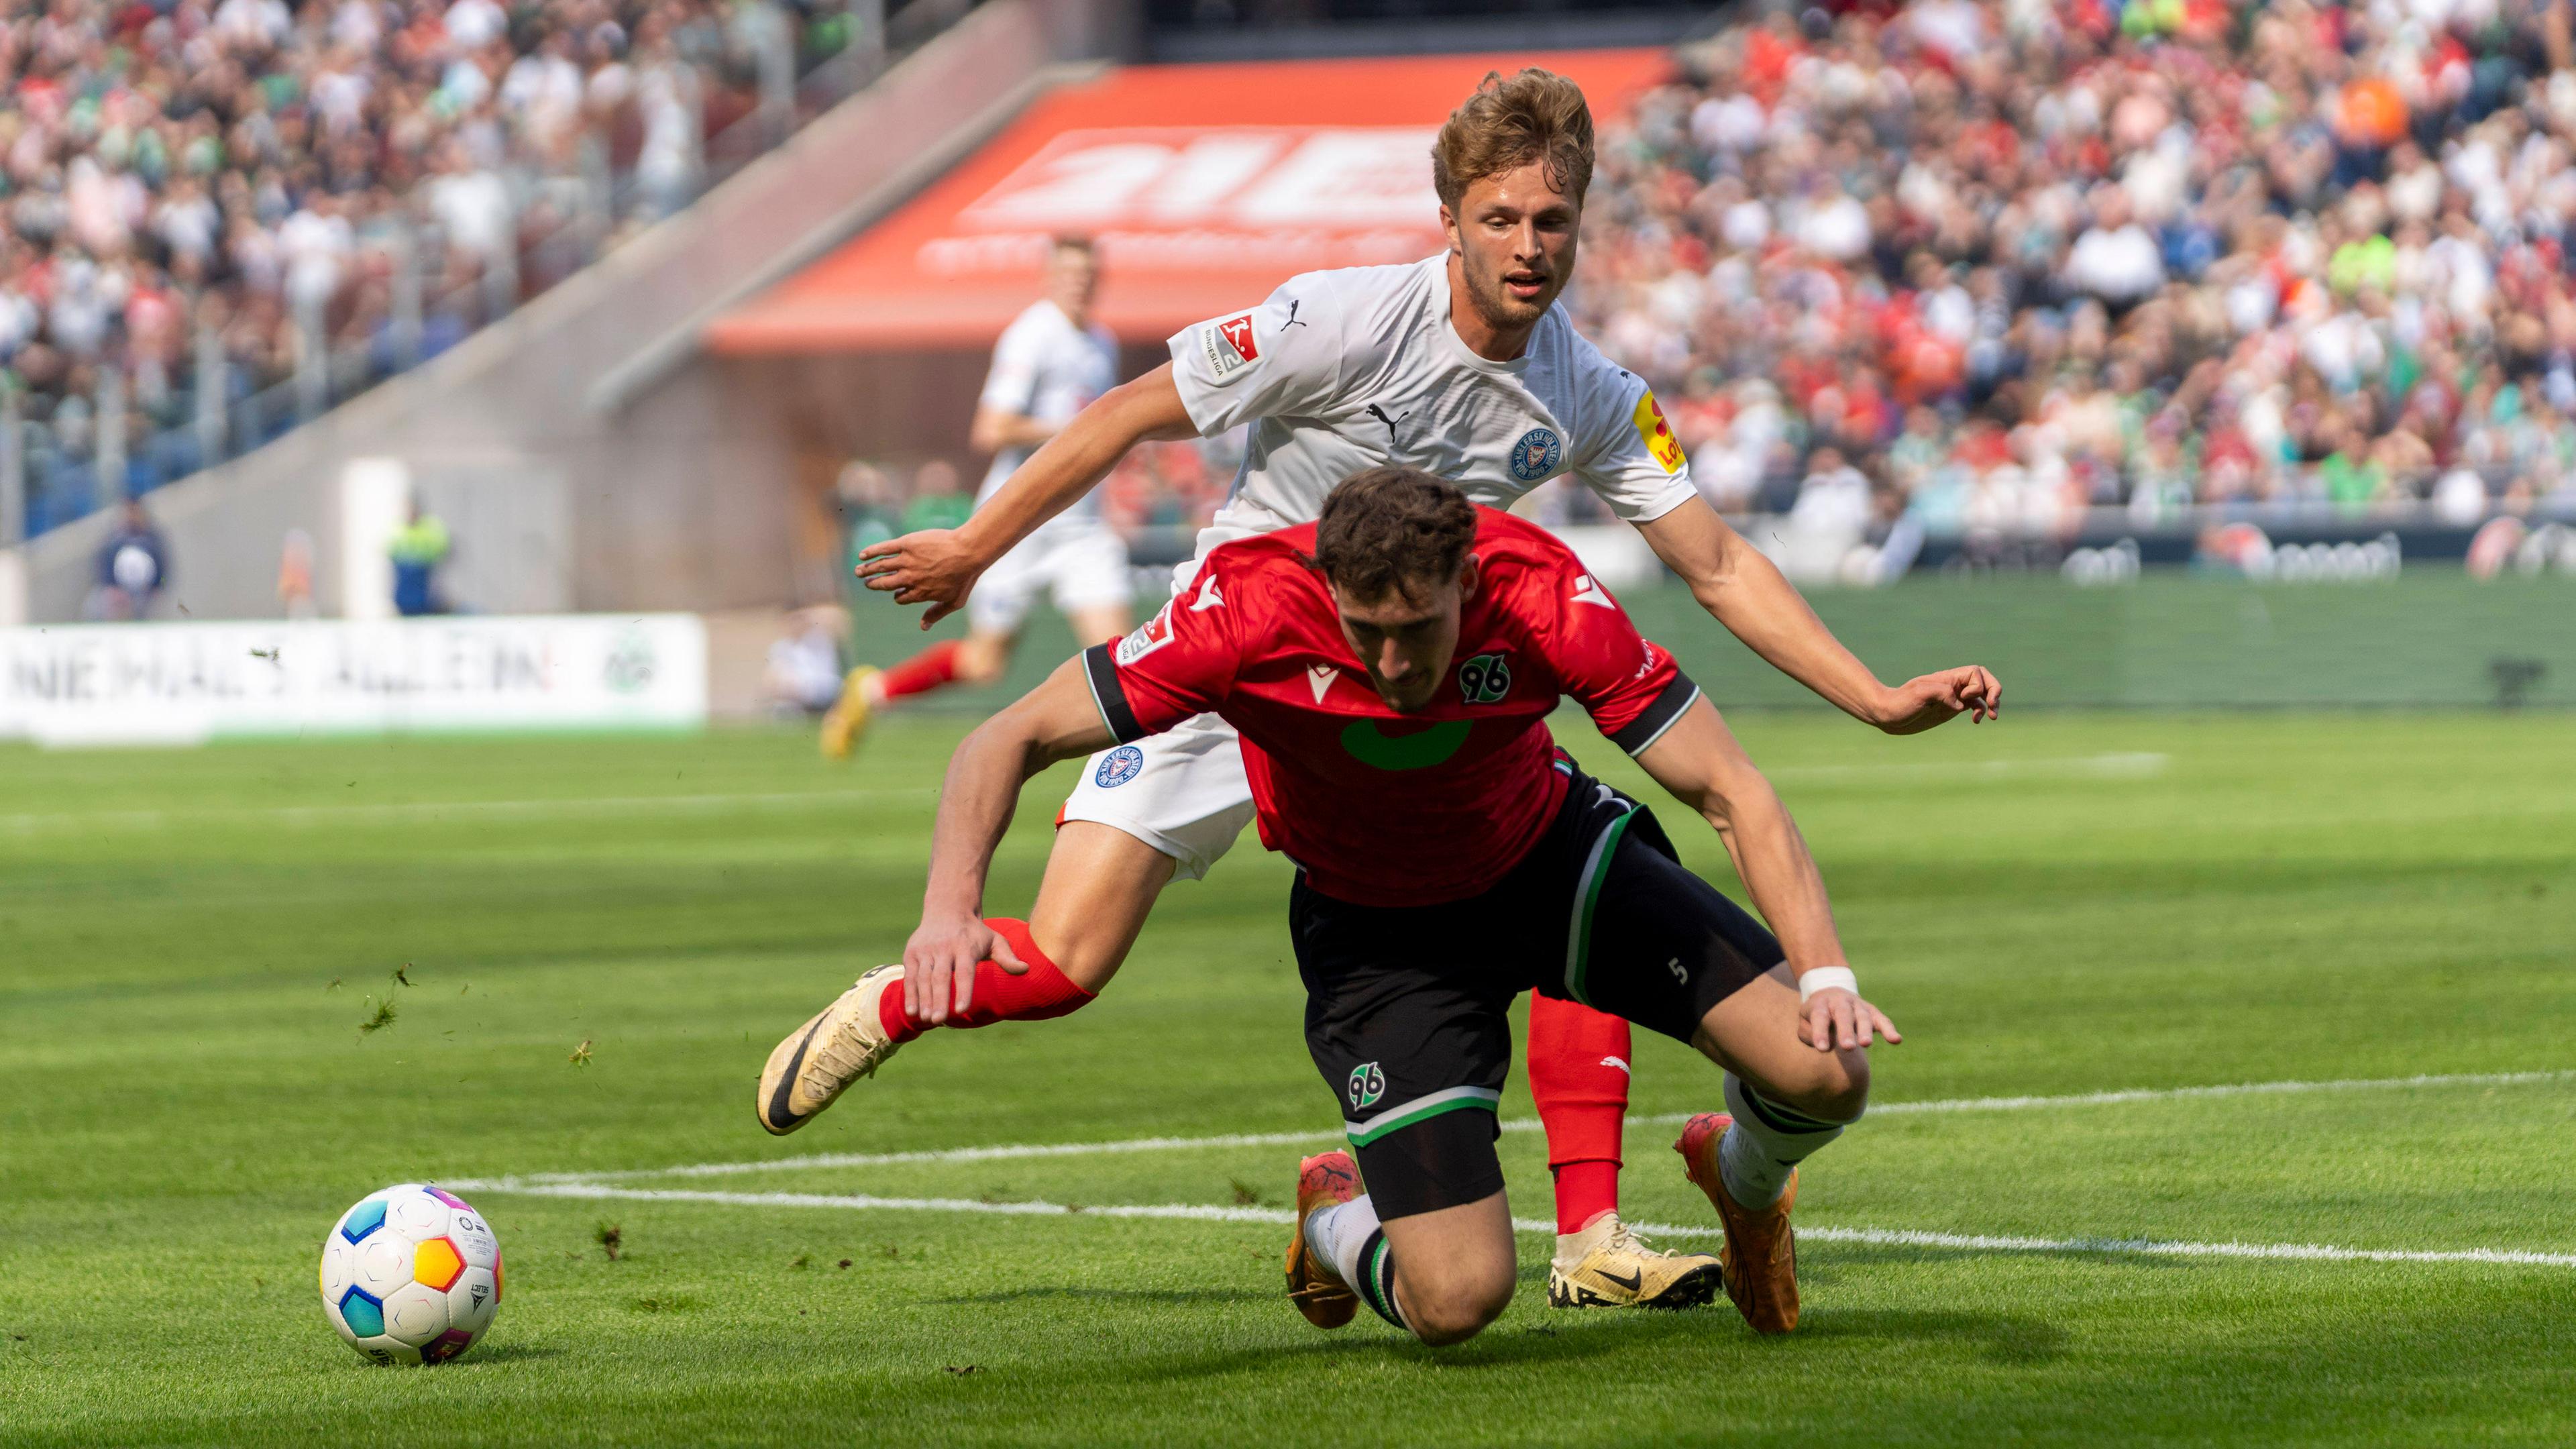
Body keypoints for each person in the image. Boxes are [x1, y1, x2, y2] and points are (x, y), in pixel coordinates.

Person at [768, 68, 1998, 1310]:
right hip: (1245, 669)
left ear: (1580, 224)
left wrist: (1876, 697)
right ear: (1450, 220)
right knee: (1072, 958)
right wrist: (983, 546)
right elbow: (1133, 412)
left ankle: (1593, 1235)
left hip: (1423, 674)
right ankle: (900, 999)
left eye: (1552, 223)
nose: (1528, 248)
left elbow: (1721, 561)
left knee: (1566, 851)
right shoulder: (1337, 323)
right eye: (1502, 220)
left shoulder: (1591, 394)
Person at [880, 470, 1899, 1342]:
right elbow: (1002, 739)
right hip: (1381, 937)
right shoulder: (1242, 610)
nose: (1398, 666)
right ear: (1329, 585)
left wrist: (1829, 975)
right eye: (1369, 633)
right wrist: (946, 908)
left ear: (1468, 579)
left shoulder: (1544, 594)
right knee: (1456, 1303)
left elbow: (1731, 789)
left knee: (1829, 1074)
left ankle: (1744, 1181)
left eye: (1420, 629)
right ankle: (1334, 1218)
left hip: (1548, 857)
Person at [819, 237, 1134, 757]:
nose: (1081, 284)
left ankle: (1121, 776)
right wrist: (1076, 430)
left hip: (1083, 525)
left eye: (1089, 275)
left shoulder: (1103, 341)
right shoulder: (1033, 335)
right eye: (1070, 274)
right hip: (1022, 518)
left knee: (1119, 660)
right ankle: (872, 692)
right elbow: (992, 428)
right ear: (1049, 278)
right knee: (984, 663)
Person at [89, 500, 171, 621]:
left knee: (154, 607)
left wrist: (158, 587)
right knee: (94, 604)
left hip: (147, 592)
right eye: (129, 512)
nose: (132, 517)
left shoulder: (153, 540)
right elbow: (103, 566)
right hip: (118, 591)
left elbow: (164, 570)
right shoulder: (115, 540)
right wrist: (112, 587)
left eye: (135, 512)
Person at [390, 502, 451, 616]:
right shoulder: (398, 528)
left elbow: (442, 548)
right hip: (404, 579)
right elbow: (390, 550)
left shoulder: (430, 527)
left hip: (424, 576)